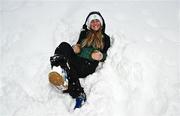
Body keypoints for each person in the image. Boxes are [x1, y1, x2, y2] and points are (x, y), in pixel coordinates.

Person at [49, 11, 110, 109]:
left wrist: (101, 56)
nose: (95, 23)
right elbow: (78, 46)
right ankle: (60, 73)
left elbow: (107, 55)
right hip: (77, 61)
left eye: (97, 21)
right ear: (89, 24)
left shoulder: (105, 38)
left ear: (101, 23)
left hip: (87, 65)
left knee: (71, 67)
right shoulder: (84, 33)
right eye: (92, 21)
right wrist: (76, 48)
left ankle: (78, 93)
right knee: (64, 46)